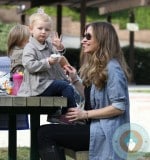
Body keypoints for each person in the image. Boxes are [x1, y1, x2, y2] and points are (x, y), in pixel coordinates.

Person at [37, 21, 132, 160]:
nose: (83, 40)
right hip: (94, 127)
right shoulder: (100, 66)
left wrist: (84, 114)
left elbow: (119, 107)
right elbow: (91, 98)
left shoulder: (113, 69)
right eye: (83, 36)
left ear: (102, 39)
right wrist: (75, 79)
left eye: (88, 36)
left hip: (105, 132)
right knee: (42, 131)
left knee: (45, 134)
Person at [17, 11, 78, 123]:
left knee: (65, 87)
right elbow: (29, 65)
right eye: (40, 28)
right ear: (31, 29)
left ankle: (54, 113)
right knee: (66, 87)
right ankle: (69, 115)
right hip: (37, 86)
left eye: (47, 29)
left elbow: (58, 56)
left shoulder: (48, 44)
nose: (43, 32)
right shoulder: (30, 47)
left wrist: (59, 48)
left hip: (47, 83)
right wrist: (47, 62)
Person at [0, 24, 30, 130]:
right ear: (20, 40)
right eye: (29, 39)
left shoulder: (14, 52)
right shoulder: (22, 53)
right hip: (23, 88)